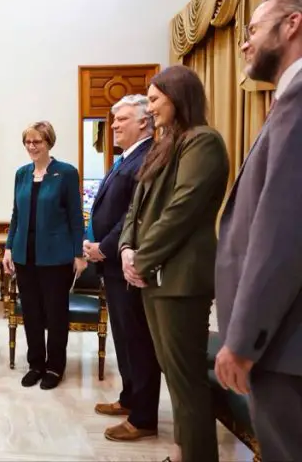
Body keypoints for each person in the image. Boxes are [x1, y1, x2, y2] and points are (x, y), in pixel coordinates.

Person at [118, 65, 229, 462]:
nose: (149, 109)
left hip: (180, 281)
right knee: (173, 377)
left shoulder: (204, 142)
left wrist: (141, 259)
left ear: (177, 96)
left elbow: (182, 210)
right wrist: (127, 249)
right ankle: (182, 453)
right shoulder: (167, 144)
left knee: (187, 383)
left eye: (153, 99)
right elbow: (137, 207)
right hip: (155, 279)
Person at [215, 0, 302, 462]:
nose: (244, 43)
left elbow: (283, 235)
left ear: (291, 25)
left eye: (252, 29)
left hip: (285, 346)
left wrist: (244, 340)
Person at [84, 95, 159, 442]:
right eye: (113, 120)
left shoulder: (147, 157)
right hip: (112, 265)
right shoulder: (125, 158)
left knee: (138, 341)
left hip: (125, 263)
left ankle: (143, 417)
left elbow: (134, 215)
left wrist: (104, 247)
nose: (113, 126)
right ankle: (130, 399)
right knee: (124, 339)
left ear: (144, 122)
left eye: (121, 119)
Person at [2, 121, 86, 390]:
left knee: (55, 314)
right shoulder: (21, 174)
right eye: (28, 141)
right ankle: (36, 363)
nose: (31, 146)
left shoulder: (67, 173)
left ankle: (54, 366)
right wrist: (8, 247)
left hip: (56, 257)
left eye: (37, 141)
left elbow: (75, 216)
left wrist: (79, 253)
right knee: (32, 313)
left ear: (49, 142)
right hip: (25, 256)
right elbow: (16, 214)